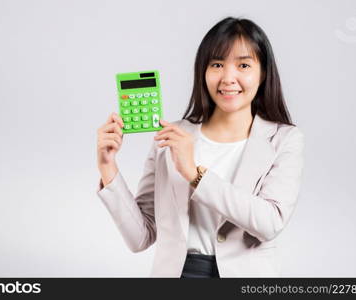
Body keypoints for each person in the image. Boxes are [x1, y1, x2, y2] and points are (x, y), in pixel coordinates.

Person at [96, 17, 304, 278]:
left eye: (243, 65)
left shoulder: (284, 139)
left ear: (262, 73)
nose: (228, 78)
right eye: (217, 64)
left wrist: (195, 175)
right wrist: (108, 167)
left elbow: (269, 223)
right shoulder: (170, 138)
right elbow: (141, 236)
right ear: (203, 71)